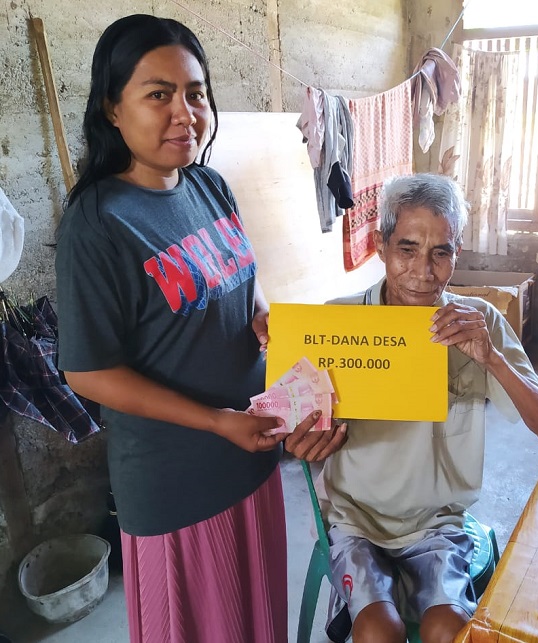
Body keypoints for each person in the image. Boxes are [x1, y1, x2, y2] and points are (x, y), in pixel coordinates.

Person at [55, 14, 346, 643]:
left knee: (256, 622)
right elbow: (87, 371)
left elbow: (244, 275)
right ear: (112, 108)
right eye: (158, 94)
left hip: (252, 455)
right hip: (177, 485)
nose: (183, 113)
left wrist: (263, 314)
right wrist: (216, 421)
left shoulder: (208, 186)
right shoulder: (97, 224)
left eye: (196, 93)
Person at [316, 173, 538, 643]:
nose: (424, 271)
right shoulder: (338, 323)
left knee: (447, 628)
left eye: (441, 252)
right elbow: (295, 434)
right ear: (381, 246)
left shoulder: (479, 323)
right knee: (377, 631)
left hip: (439, 524)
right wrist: (305, 440)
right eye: (407, 248)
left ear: (457, 253)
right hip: (355, 520)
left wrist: (492, 359)